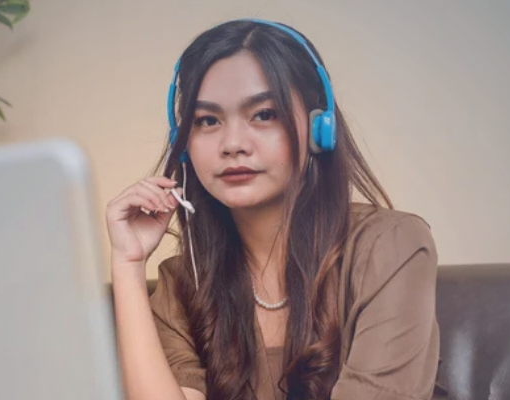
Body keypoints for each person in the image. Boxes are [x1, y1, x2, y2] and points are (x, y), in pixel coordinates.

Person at [105, 19, 441, 400]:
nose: (233, 144)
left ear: (320, 126)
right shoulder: (184, 281)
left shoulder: (390, 246)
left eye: (264, 114)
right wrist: (128, 265)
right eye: (207, 120)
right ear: (183, 143)